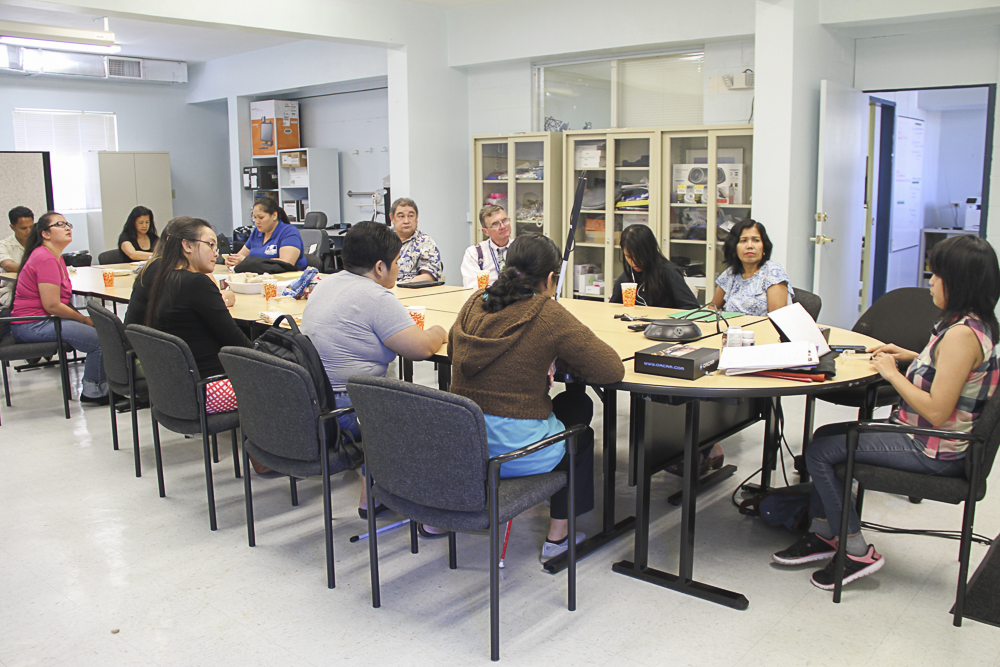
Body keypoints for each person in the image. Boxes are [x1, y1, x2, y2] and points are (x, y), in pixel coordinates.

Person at [773, 234, 1000, 590]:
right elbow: (948, 373)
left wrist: (893, 373)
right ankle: (822, 533)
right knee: (824, 439)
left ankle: (855, 550)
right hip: (926, 438)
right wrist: (910, 355)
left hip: (934, 448)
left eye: (937, 275)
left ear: (959, 283)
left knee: (821, 451)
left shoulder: (960, 336)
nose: (931, 281)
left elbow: (938, 412)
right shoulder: (970, 324)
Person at [449, 232, 626, 559]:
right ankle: (558, 536)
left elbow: (457, 349)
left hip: (466, 443)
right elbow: (610, 369)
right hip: (515, 451)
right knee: (580, 430)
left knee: (574, 403)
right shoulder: (547, 313)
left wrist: (542, 356)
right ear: (549, 278)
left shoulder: (474, 303)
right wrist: (553, 355)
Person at [302, 220, 448, 517]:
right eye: (396, 262)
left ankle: (378, 488)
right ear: (380, 267)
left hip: (315, 399)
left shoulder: (327, 283)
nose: (397, 268)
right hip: (348, 408)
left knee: (387, 390)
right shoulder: (376, 297)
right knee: (438, 412)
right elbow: (420, 349)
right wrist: (439, 331)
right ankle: (385, 494)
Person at [9, 212, 109, 404]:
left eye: (67, 224)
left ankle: (104, 385)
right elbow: (52, 304)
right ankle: (94, 392)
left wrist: (83, 319)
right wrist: (84, 319)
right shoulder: (45, 258)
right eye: (60, 225)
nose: (67, 228)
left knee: (104, 330)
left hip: (44, 320)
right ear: (45, 234)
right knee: (99, 340)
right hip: (32, 324)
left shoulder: (54, 256)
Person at [710, 218, 793, 316]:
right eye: (743, 240)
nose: (750, 246)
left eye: (756, 240)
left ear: (764, 247)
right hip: (732, 329)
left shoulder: (773, 272)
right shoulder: (730, 274)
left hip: (763, 330)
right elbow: (712, 307)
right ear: (734, 247)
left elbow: (776, 318)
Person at [609, 224, 699, 309]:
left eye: (639, 256)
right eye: (628, 256)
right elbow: (613, 307)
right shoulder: (627, 276)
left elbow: (691, 307)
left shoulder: (668, 272)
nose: (634, 262)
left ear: (649, 251)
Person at [225, 198, 307, 271]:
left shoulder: (289, 232)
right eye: (254, 217)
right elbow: (241, 256)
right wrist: (232, 260)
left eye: (261, 217)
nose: (257, 222)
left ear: (274, 215)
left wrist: (247, 262)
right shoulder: (257, 232)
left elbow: (286, 264)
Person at [390, 197, 443, 283]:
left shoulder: (425, 242)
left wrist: (405, 288)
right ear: (391, 218)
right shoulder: (381, 239)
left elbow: (429, 276)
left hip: (412, 291)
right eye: (401, 216)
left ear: (416, 218)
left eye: (411, 216)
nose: (406, 221)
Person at [460, 204, 511, 288]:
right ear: (485, 231)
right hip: (488, 299)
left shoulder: (521, 248)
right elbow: (472, 287)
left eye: (505, 220)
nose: (503, 226)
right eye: (495, 224)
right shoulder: (474, 253)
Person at [0, 206, 34, 310]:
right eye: (23, 228)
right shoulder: (4, 245)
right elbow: (8, 266)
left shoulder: (41, 243)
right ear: (12, 227)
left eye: (31, 227)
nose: (28, 231)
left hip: (39, 288)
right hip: (12, 290)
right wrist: (36, 268)